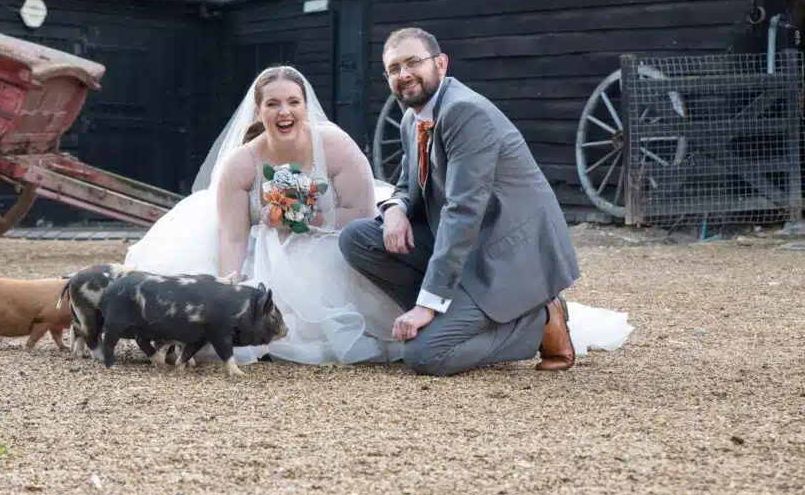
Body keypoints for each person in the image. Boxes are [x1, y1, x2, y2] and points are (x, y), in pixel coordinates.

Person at [339, 27, 633, 376]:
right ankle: (448, 313)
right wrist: (395, 210)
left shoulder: (465, 112)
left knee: (424, 356)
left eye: (413, 62)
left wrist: (426, 305)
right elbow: (406, 184)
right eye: (394, 68)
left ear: (441, 64)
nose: (404, 75)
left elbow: (463, 211)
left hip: (504, 255)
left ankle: (539, 319)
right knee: (357, 238)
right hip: (464, 250)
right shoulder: (411, 119)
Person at [122, 65, 407, 365]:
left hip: (332, 238)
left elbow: (362, 216)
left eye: (293, 102)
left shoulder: (336, 147)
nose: (284, 112)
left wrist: (304, 219)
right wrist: (227, 291)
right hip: (260, 247)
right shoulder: (242, 163)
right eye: (273, 104)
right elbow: (233, 237)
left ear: (305, 108)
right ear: (258, 111)